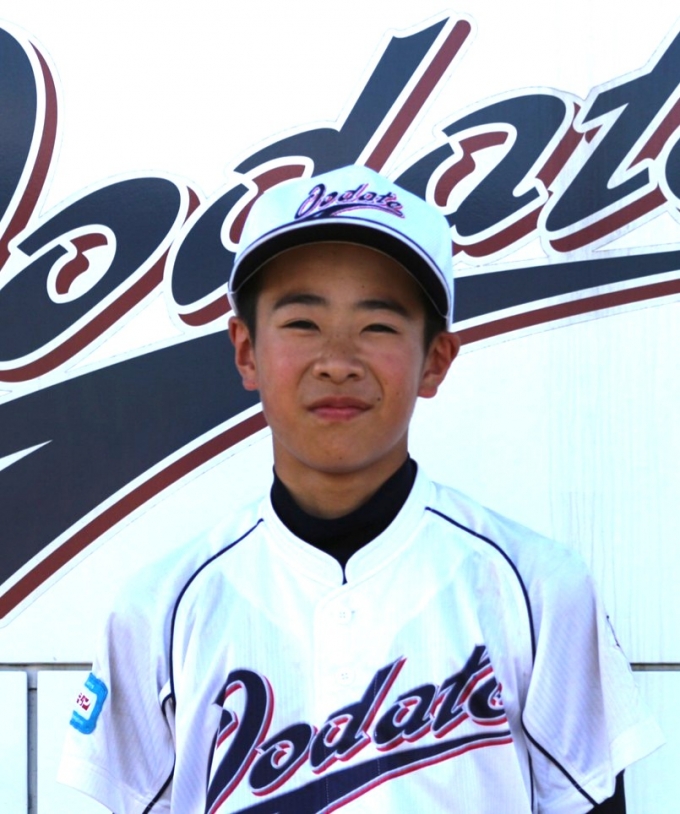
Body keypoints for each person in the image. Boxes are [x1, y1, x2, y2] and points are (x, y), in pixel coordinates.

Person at [59, 165, 662, 813]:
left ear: (435, 359)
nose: (338, 361)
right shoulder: (160, 608)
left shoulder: (540, 588)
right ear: (246, 351)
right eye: (302, 323)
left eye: (377, 326)